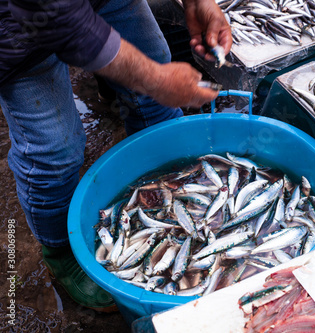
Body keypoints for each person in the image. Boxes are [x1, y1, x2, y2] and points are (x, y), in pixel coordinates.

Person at [0, 0, 231, 312]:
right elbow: (59, 18)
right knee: (54, 148)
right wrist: (156, 79)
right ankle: (60, 250)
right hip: (16, 30)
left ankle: (173, 183)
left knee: (154, 72)